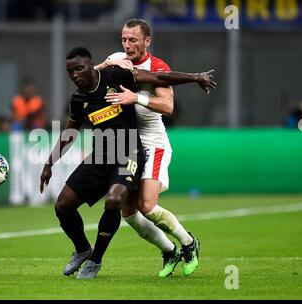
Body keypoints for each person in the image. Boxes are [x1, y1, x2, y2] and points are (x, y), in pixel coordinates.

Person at [39, 46, 215, 279]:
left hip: (129, 151)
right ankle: (83, 249)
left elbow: (158, 77)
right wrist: (49, 163)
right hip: (101, 155)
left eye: (79, 69)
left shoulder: (116, 76)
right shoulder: (79, 99)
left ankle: (95, 261)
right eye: (70, 71)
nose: (74, 75)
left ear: (92, 65)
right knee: (62, 205)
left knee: (115, 200)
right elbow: (70, 133)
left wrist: (195, 77)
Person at [97, 18, 213, 277]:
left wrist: (135, 97)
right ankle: (169, 250)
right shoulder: (116, 58)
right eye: (124, 40)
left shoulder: (157, 67)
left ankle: (189, 243)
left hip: (152, 144)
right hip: (128, 146)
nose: (127, 45)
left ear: (147, 41)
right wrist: (105, 64)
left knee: (148, 205)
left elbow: (168, 107)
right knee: (128, 212)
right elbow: (89, 78)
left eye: (133, 40)